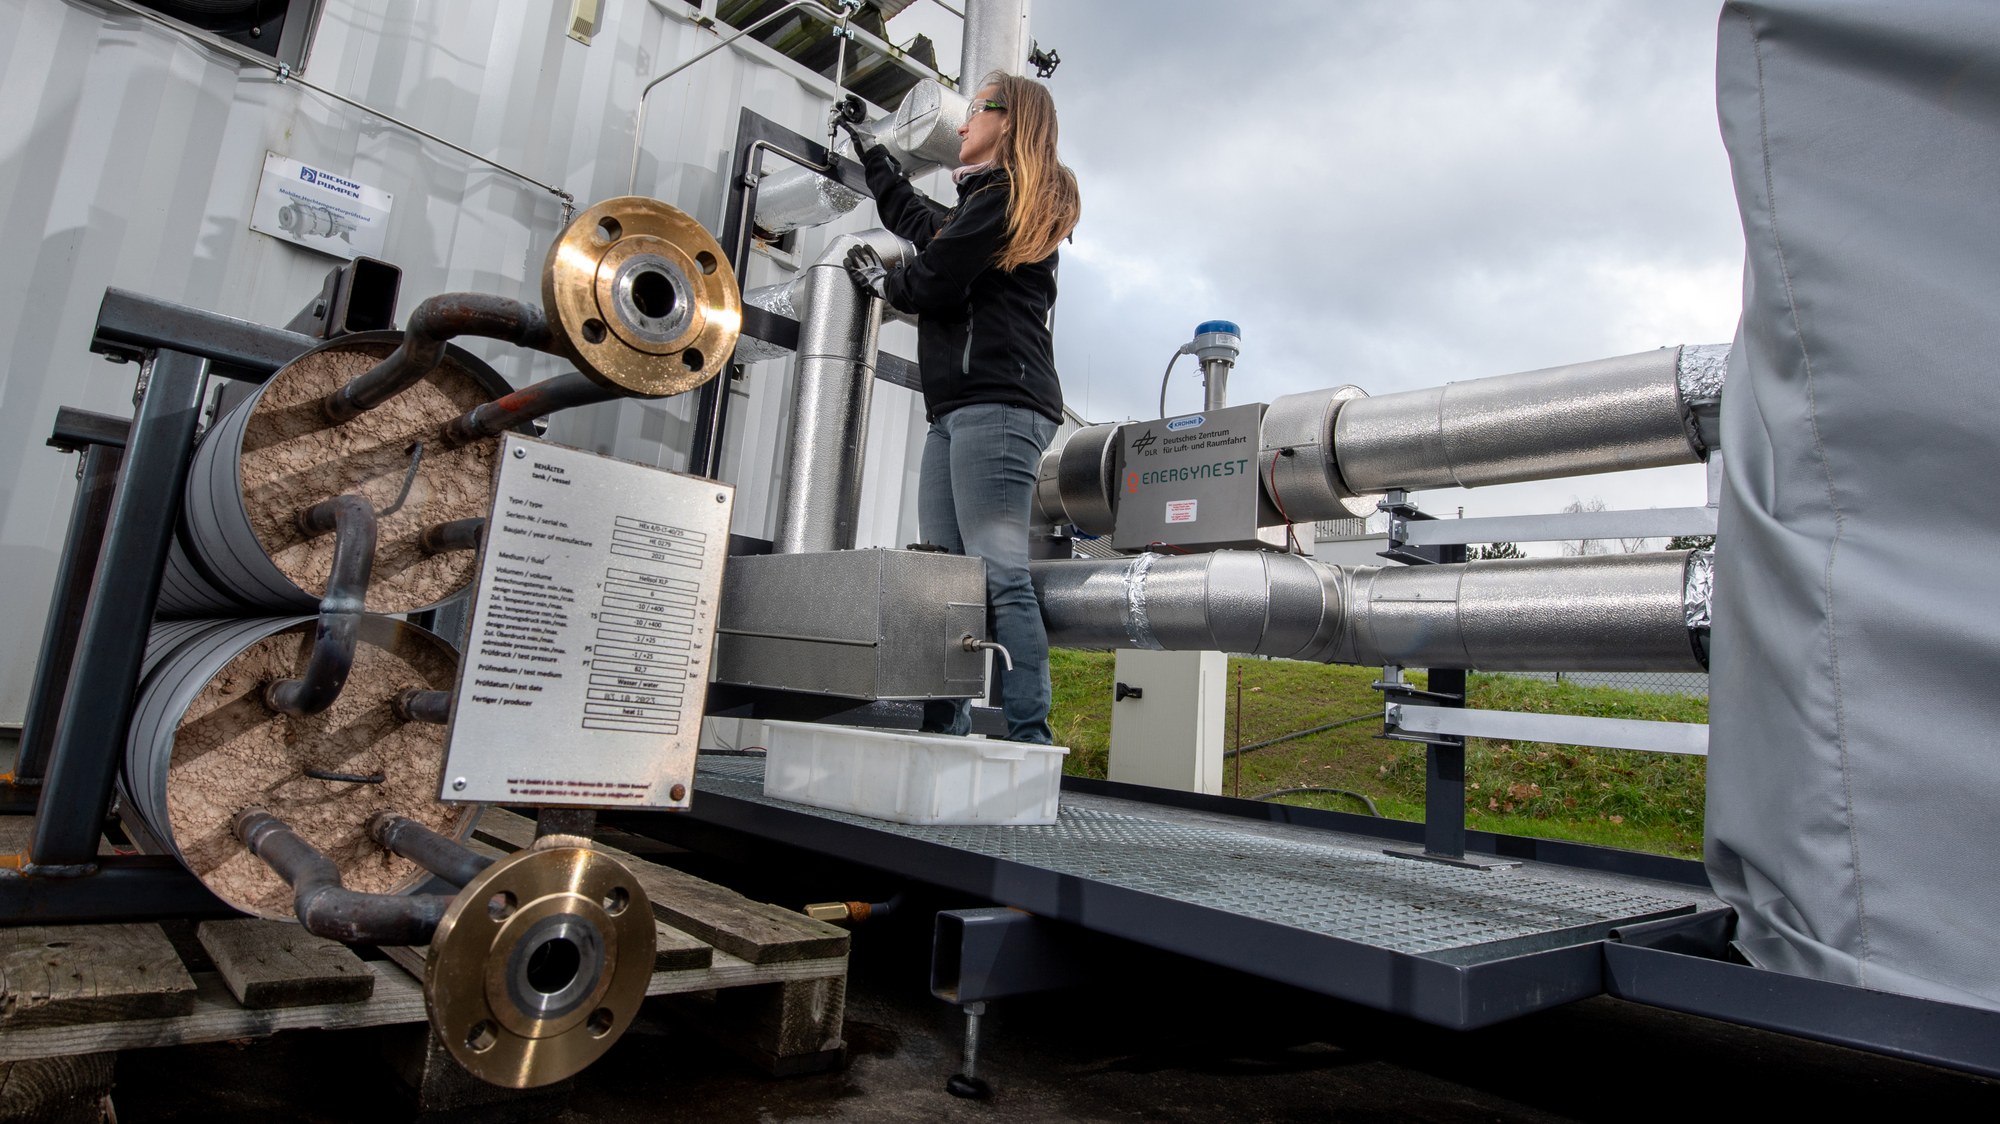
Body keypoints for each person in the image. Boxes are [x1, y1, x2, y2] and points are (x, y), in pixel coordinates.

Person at [839, 72, 1081, 744]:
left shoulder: (1007, 197)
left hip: (998, 404)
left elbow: (934, 280)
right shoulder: (983, 202)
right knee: (943, 575)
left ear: (1011, 120)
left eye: (977, 107)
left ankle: (1030, 738)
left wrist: (886, 284)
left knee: (998, 572)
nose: (965, 119)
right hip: (955, 410)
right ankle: (944, 728)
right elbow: (921, 225)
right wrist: (873, 152)